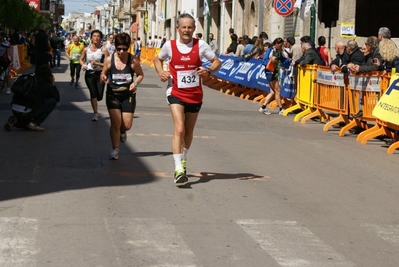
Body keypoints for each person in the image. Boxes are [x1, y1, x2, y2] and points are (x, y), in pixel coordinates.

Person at [154, 13, 221, 186]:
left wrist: (208, 71)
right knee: (180, 128)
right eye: (183, 27)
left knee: (189, 131)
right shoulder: (169, 46)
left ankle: (183, 159)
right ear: (177, 28)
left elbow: (216, 61)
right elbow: (157, 59)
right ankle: (178, 169)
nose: (186, 30)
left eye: (190, 27)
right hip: (175, 91)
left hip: (195, 94)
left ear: (194, 29)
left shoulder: (200, 45)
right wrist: (161, 72)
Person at [100, 33, 144, 160]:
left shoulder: (133, 60)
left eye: (124, 49)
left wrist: (135, 83)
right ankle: (115, 149)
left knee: (126, 125)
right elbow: (104, 72)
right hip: (112, 94)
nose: (121, 51)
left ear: (128, 47)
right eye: (118, 48)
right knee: (115, 123)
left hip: (128, 94)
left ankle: (123, 131)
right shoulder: (109, 60)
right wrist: (103, 76)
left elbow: (140, 74)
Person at [4, 64, 60, 132]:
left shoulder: (30, 79)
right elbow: (57, 98)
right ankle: (34, 123)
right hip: (26, 110)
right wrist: (53, 85)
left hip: (14, 108)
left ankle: (14, 121)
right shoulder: (45, 85)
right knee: (52, 101)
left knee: (24, 123)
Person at [79, 30, 110, 121]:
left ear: (100, 38)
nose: (96, 38)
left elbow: (107, 64)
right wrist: (83, 65)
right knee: (93, 94)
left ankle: (97, 101)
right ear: (91, 38)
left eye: (98, 36)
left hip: (100, 74)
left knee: (99, 96)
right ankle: (95, 113)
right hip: (89, 74)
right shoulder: (86, 49)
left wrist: (97, 64)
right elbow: (81, 59)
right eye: (94, 36)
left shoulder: (103, 50)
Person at [259, 38, 290, 115]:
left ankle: (263, 107)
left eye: (282, 45)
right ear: (276, 43)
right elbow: (264, 61)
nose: (281, 46)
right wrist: (271, 60)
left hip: (274, 72)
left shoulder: (278, 52)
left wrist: (290, 60)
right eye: (280, 45)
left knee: (272, 92)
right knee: (278, 90)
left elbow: (283, 60)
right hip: (270, 72)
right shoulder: (270, 51)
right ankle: (280, 109)